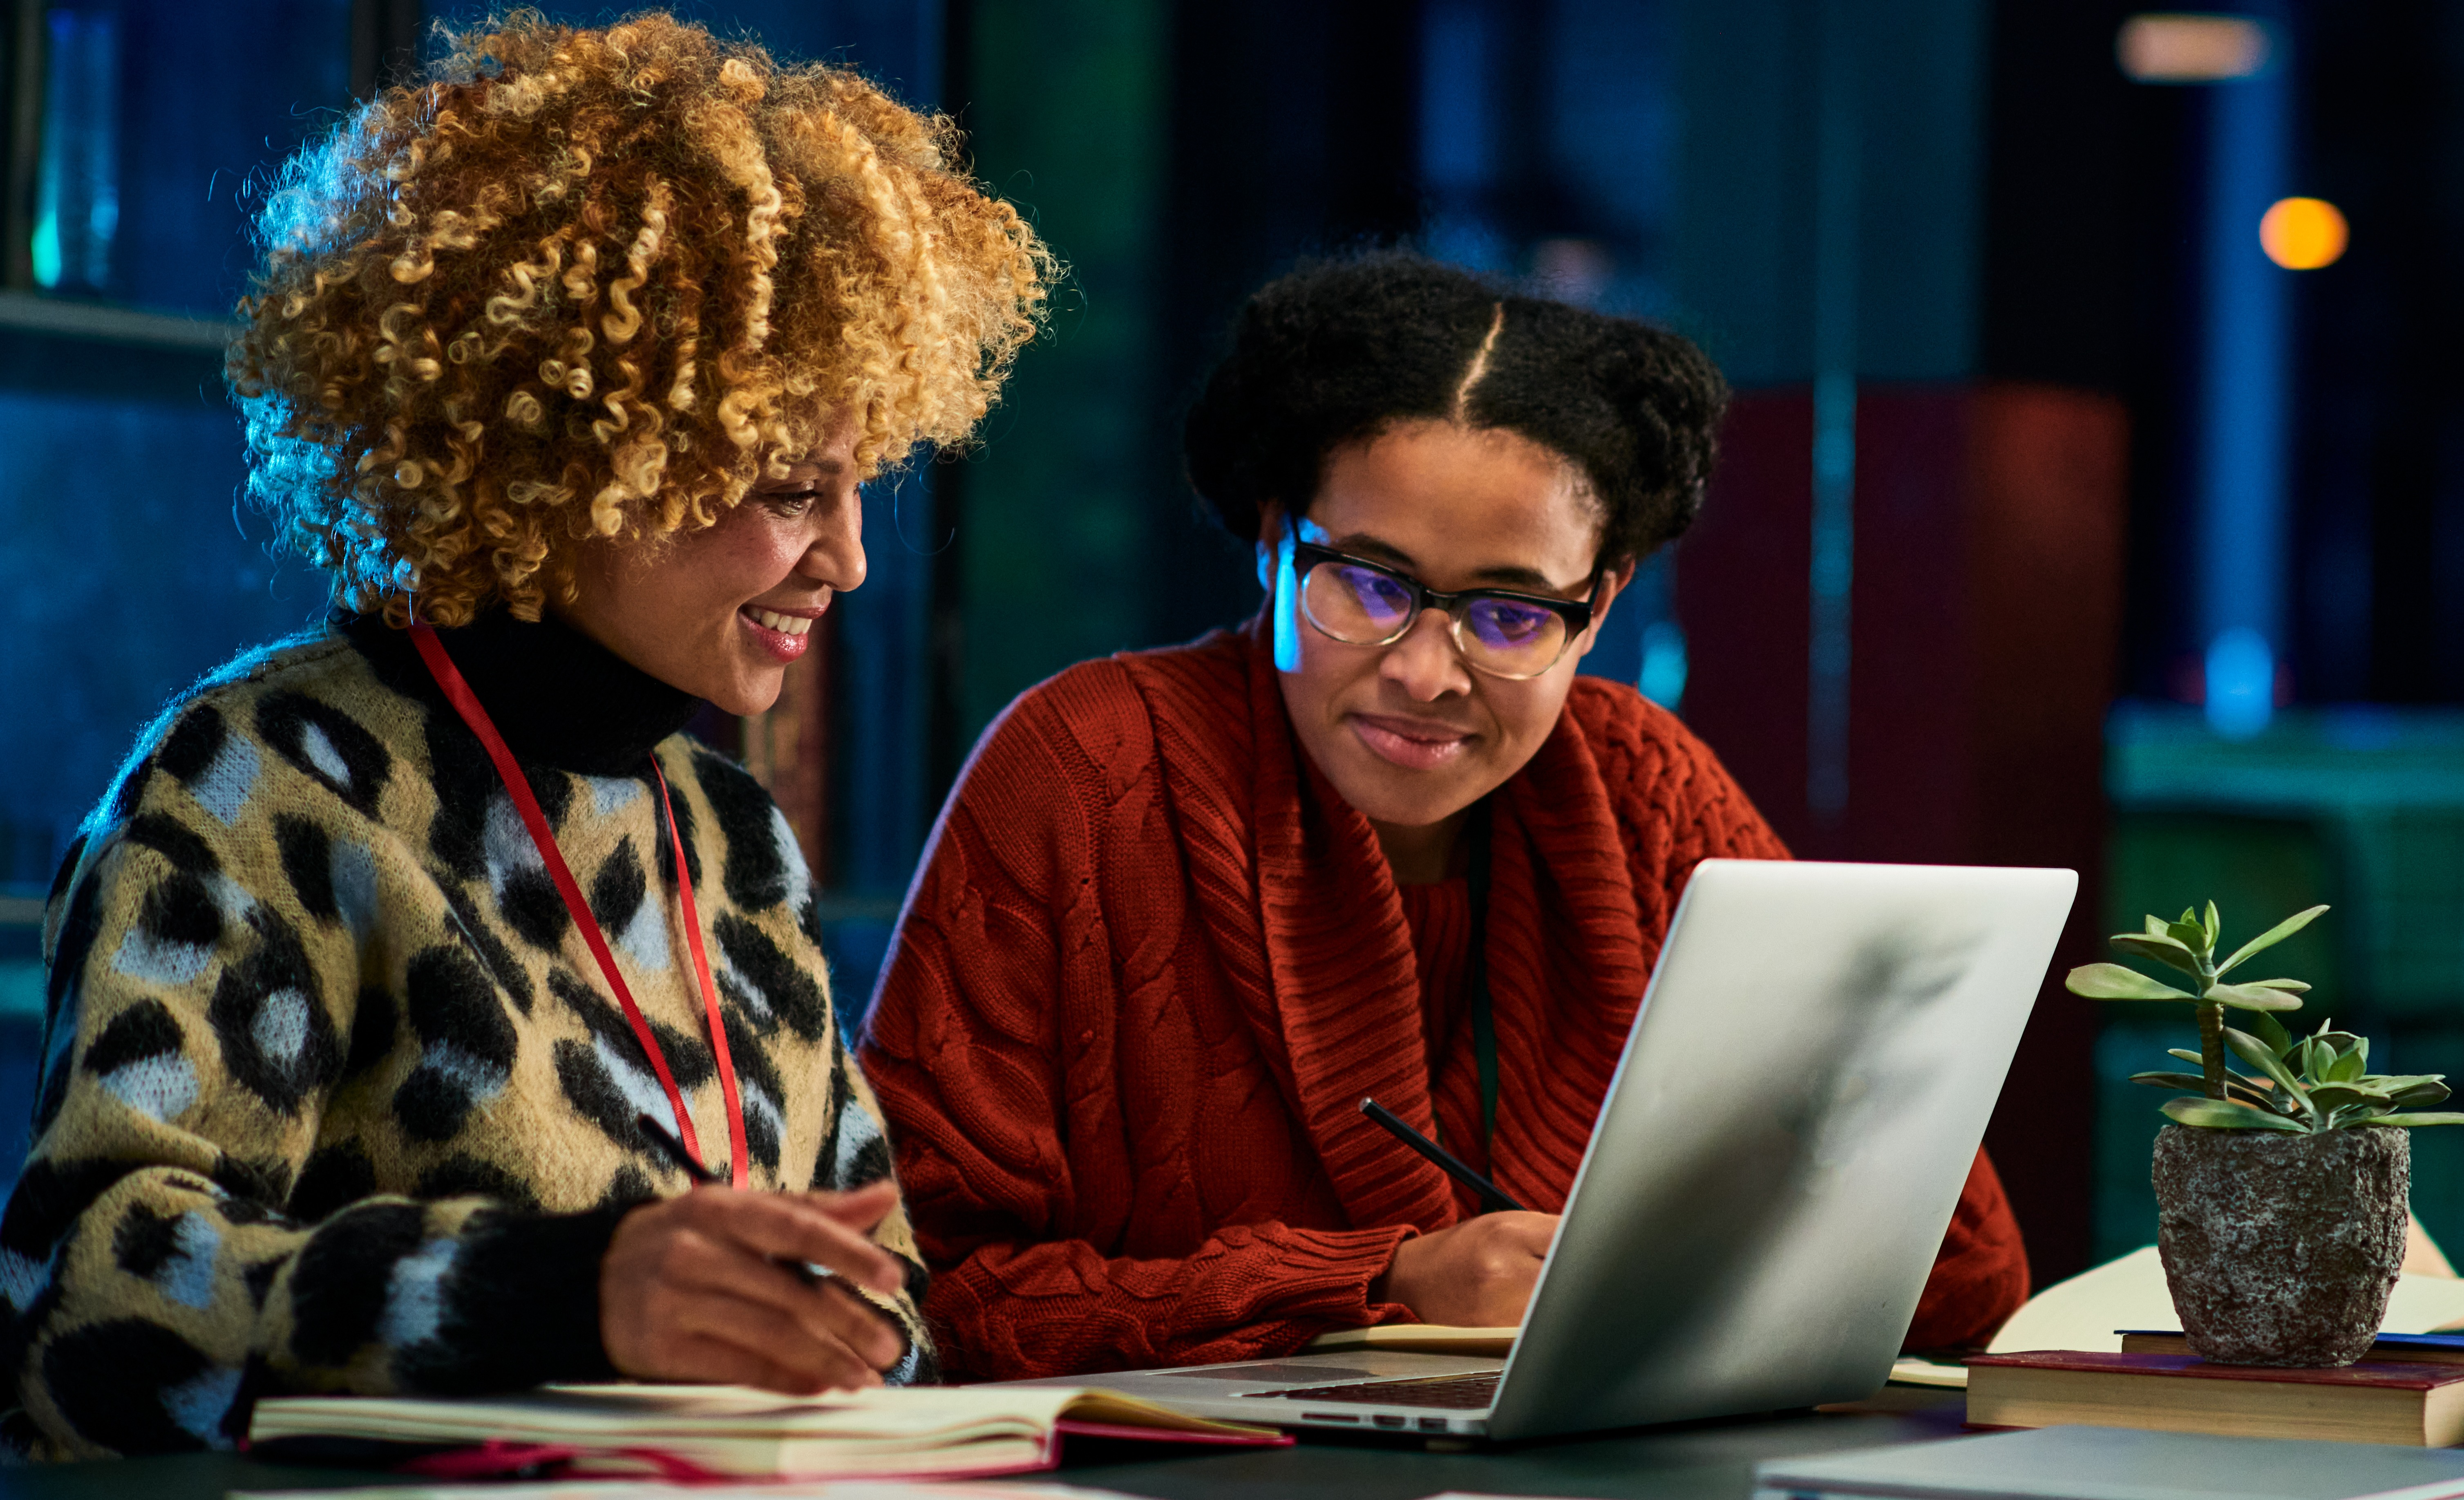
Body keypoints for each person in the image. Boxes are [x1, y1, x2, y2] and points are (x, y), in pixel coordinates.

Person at [0, 14, 1050, 1459]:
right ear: (576, 460)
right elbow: (85, 1309)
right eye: (793, 491)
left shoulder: (730, 833)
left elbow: (885, 1314)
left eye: (862, 484)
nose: (851, 560)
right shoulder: (252, 787)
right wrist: (558, 1295)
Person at [861, 254, 2031, 1380]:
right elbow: (916, 1294)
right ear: (1275, 545)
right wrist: (1390, 1281)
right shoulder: (1084, 771)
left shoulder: (1641, 785)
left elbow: (1966, 1272)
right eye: (1369, 586)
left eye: (1512, 614)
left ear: (1600, 602)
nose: (1426, 672)